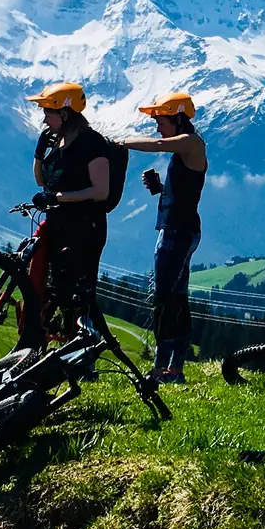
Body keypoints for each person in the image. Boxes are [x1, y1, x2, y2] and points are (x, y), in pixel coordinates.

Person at [122, 92, 207, 384]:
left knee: (164, 300)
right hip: (180, 229)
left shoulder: (191, 143)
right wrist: (161, 189)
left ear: (178, 118)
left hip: (176, 232)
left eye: (161, 120)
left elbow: (158, 144)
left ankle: (162, 368)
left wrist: (122, 141)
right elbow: (186, 193)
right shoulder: (186, 149)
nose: (158, 126)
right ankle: (174, 367)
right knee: (176, 299)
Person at [26, 81, 113, 341]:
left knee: (80, 294)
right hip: (58, 224)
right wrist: (39, 155)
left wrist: (59, 197)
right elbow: (42, 181)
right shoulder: (58, 141)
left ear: (65, 113)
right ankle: (65, 344)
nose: (44, 119)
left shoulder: (91, 143)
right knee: (59, 289)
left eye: (48, 113)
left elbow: (101, 191)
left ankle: (86, 352)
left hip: (85, 227)